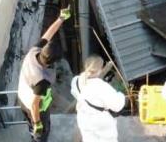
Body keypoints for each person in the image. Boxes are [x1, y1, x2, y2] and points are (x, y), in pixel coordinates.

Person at [17, 8, 71, 141]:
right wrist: (37, 123)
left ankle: (33, 128)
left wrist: (61, 18)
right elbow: (35, 104)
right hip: (36, 108)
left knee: (31, 123)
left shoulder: (33, 52)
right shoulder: (42, 80)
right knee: (40, 133)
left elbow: (47, 35)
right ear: (53, 63)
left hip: (22, 99)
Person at [70, 55, 126, 142]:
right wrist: (120, 95)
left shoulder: (76, 80)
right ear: (100, 69)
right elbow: (117, 105)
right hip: (100, 122)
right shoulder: (102, 87)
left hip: (84, 118)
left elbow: (74, 92)